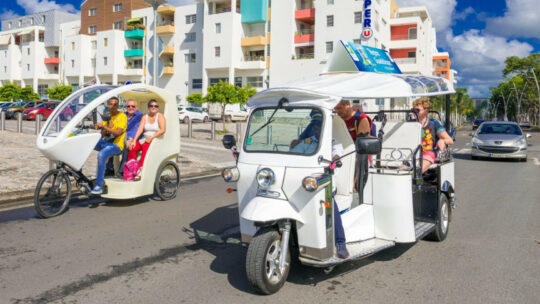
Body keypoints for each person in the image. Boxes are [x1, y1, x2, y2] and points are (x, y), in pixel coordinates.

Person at [290, 115, 350, 259]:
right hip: (306, 183)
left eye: (320, 127)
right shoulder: (309, 142)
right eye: (315, 127)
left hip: (325, 185)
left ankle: (340, 243)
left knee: (331, 206)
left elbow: (336, 156)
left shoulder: (334, 144)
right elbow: (294, 154)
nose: (317, 129)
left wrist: (334, 161)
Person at [333, 100, 374, 192]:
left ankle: (351, 187)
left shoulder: (361, 119)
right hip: (339, 153)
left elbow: (361, 148)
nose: (337, 111)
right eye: (335, 109)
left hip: (357, 156)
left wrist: (352, 183)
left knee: (356, 158)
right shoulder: (337, 120)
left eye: (339, 108)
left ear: (347, 105)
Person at [92, 97, 127, 194]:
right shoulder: (107, 115)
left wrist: (105, 126)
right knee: (88, 143)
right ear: (108, 105)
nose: (113, 106)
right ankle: (78, 172)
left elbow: (118, 133)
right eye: (111, 104)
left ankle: (99, 185)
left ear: (118, 105)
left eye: (115, 104)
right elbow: (103, 135)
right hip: (107, 142)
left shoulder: (122, 116)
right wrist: (103, 128)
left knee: (101, 155)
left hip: (117, 146)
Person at [412, 97, 453, 173]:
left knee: (417, 171)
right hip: (411, 152)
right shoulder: (409, 123)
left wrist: (442, 140)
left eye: (417, 110)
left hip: (427, 153)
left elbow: (450, 140)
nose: (415, 112)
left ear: (426, 110)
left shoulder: (433, 124)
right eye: (413, 110)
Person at [128, 99, 166, 179]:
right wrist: (134, 140)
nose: (153, 107)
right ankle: (132, 170)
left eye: (156, 106)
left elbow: (162, 130)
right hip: (144, 139)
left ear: (158, 108)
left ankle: (141, 169)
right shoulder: (145, 116)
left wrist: (152, 137)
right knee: (132, 147)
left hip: (156, 139)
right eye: (151, 105)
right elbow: (140, 129)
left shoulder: (160, 116)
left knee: (146, 146)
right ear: (148, 107)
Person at [116, 99, 143, 176]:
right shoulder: (123, 115)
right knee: (109, 143)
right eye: (128, 106)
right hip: (123, 137)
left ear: (136, 107)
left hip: (134, 138)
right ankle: (110, 168)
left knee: (127, 146)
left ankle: (121, 171)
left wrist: (130, 139)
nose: (130, 108)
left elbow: (137, 128)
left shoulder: (139, 116)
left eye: (133, 106)